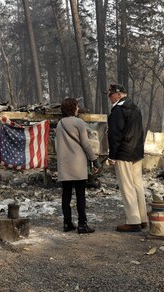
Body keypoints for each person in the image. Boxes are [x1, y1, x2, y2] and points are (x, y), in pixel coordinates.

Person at [106, 84, 148, 233]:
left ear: (118, 95)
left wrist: (112, 156)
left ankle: (133, 221)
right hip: (136, 152)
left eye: (110, 94)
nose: (109, 97)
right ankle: (143, 219)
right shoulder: (135, 108)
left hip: (123, 153)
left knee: (127, 187)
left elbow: (115, 135)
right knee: (137, 185)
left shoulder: (118, 110)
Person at [55, 97, 100, 234]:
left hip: (64, 164)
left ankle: (67, 223)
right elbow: (86, 144)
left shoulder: (60, 124)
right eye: (77, 106)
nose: (78, 108)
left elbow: (57, 144)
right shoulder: (79, 122)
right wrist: (94, 159)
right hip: (78, 163)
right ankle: (82, 224)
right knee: (80, 195)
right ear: (73, 108)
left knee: (66, 195)